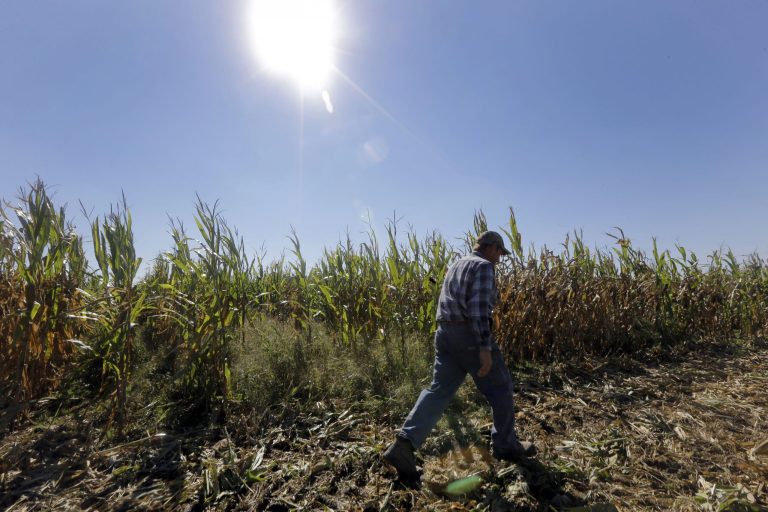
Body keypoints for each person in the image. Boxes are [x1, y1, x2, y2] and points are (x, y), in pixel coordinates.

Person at [383, 230, 536, 480]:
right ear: (492, 247)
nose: (500, 259)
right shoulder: (484, 266)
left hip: (444, 333)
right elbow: (477, 310)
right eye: (500, 253)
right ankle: (506, 445)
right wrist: (484, 349)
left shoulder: (456, 264)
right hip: (468, 335)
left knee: (438, 391)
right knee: (501, 386)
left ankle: (403, 445)